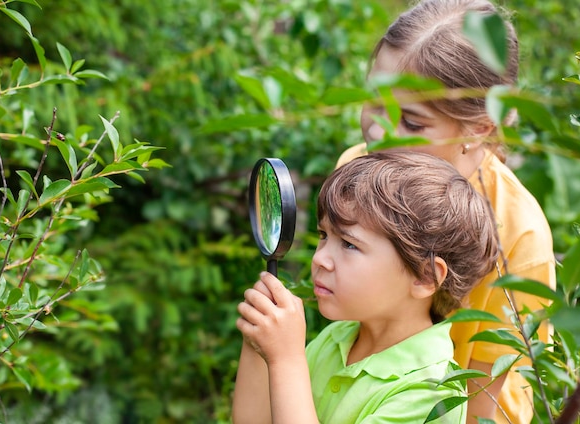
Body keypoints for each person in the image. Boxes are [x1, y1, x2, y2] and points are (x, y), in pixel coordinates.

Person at [336, 1, 556, 423]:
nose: (378, 133)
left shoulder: (518, 236)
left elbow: (489, 393)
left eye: (413, 123)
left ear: (479, 129)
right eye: (374, 102)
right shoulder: (357, 169)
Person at [232, 151, 499, 424]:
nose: (319, 259)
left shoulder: (432, 392)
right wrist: (260, 344)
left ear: (425, 276)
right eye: (324, 235)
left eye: (349, 244)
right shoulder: (337, 338)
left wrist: (286, 361)